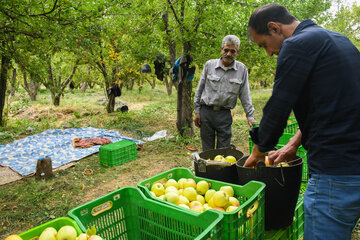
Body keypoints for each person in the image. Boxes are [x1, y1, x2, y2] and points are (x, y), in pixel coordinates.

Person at [244, 3, 360, 240]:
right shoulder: (340, 41)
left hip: (334, 175)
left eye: (264, 44)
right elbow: (334, 105)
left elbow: (278, 109)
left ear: (274, 27)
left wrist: (258, 152)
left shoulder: (296, 46)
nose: (268, 53)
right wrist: (295, 143)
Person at [194, 35, 256, 151]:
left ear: (237, 52)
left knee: (223, 151)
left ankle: (220, 169)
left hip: (224, 115)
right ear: (221, 49)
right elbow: (200, 89)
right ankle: (208, 169)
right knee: (207, 151)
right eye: (226, 50)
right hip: (206, 113)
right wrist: (197, 111)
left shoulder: (242, 69)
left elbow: (245, 95)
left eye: (233, 51)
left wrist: (250, 117)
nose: (228, 54)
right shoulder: (209, 65)